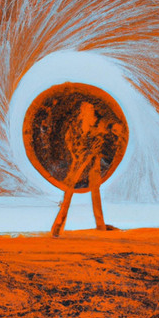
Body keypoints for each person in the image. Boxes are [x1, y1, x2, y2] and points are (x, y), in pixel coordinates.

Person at [50, 102, 117, 237]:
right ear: (83, 112)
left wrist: (95, 149)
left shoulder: (93, 127)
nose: (93, 112)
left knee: (94, 190)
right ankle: (58, 225)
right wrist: (79, 155)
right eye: (90, 109)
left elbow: (100, 135)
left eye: (92, 109)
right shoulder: (75, 128)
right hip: (79, 160)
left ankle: (100, 225)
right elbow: (70, 141)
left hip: (92, 162)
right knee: (69, 191)